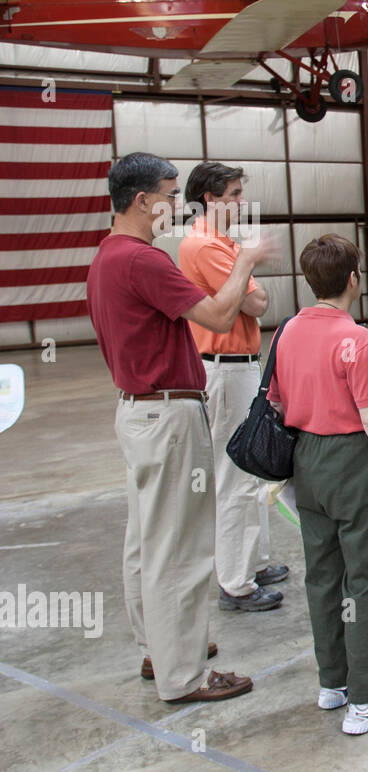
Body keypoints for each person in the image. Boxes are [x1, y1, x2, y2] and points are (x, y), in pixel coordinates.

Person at [86, 152, 276, 703]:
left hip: (138, 409)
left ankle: (160, 647)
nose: (176, 204)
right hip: (166, 413)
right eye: (170, 195)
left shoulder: (106, 257)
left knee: (146, 540)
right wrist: (247, 260)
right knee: (181, 549)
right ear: (143, 201)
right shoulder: (144, 261)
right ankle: (183, 675)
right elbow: (220, 316)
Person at [267, 234, 368, 734]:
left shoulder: (285, 332)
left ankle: (335, 681)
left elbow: (279, 401)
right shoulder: (357, 339)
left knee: (323, 576)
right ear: (353, 278)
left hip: (306, 462)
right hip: (353, 462)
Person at [178, 162, 286, 613]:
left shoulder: (225, 245)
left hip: (238, 365)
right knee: (237, 474)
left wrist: (247, 273)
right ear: (211, 198)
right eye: (235, 194)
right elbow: (256, 301)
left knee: (252, 467)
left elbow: (256, 301)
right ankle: (236, 583)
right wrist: (249, 274)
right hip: (224, 369)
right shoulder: (206, 245)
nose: (242, 202)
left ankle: (254, 562)